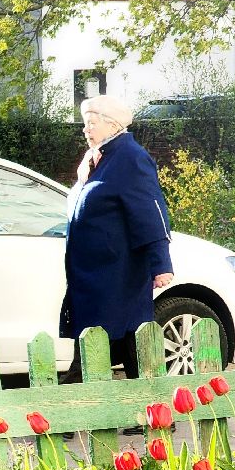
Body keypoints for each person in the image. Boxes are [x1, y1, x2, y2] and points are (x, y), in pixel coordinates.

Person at [62, 94, 174, 379]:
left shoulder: (130, 157)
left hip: (117, 273)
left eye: (91, 123)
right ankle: (147, 415)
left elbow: (150, 211)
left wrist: (161, 264)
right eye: (85, 124)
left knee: (114, 346)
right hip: (94, 274)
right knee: (119, 347)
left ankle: (75, 412)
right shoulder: (100, 158)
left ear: (112, 125)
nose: (85, 129)